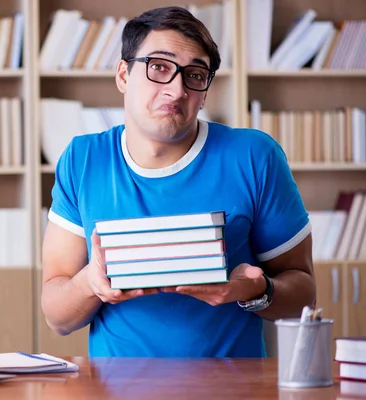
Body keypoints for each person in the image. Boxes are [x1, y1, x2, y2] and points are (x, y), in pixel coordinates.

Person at [40, 6, 316, 357]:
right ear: (123, 74)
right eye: (159, 67)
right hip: (115, 390)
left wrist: (254, 291)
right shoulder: (83, 160)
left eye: (195, 74)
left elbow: (304, 297)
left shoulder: (253, 156)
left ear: (204, 94)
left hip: (233, 389)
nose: (176, 89)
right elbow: (57, 316)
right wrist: (90, 283)